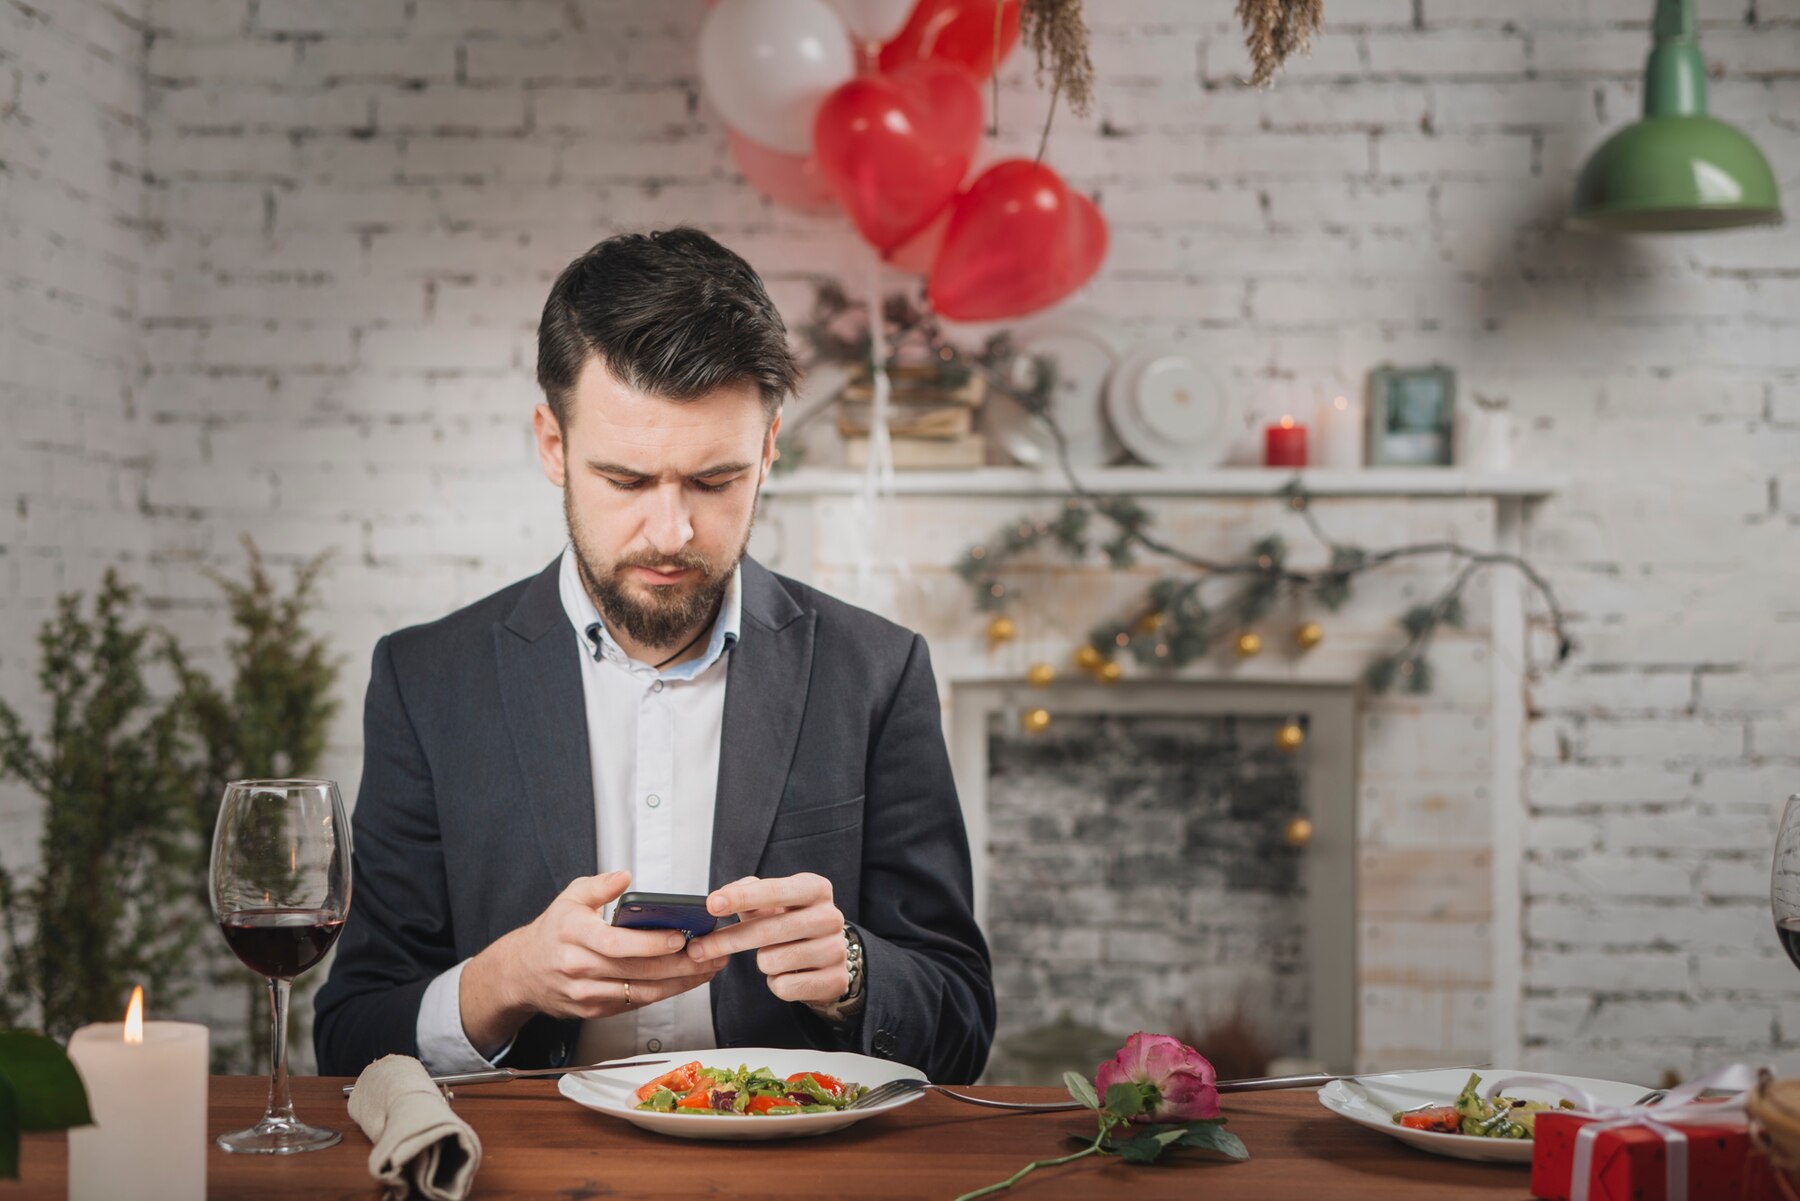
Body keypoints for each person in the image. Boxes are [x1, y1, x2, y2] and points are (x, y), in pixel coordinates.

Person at [314, 228, 994, 1085]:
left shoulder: (878, 672)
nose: (671, 533)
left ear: (769, 447)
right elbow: (347, 1038)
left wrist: (854, 972)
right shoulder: (427, 682)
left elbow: (964, 1025)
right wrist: (511, 977)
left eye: (714, 481)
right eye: (628, 481)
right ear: (553, 445)